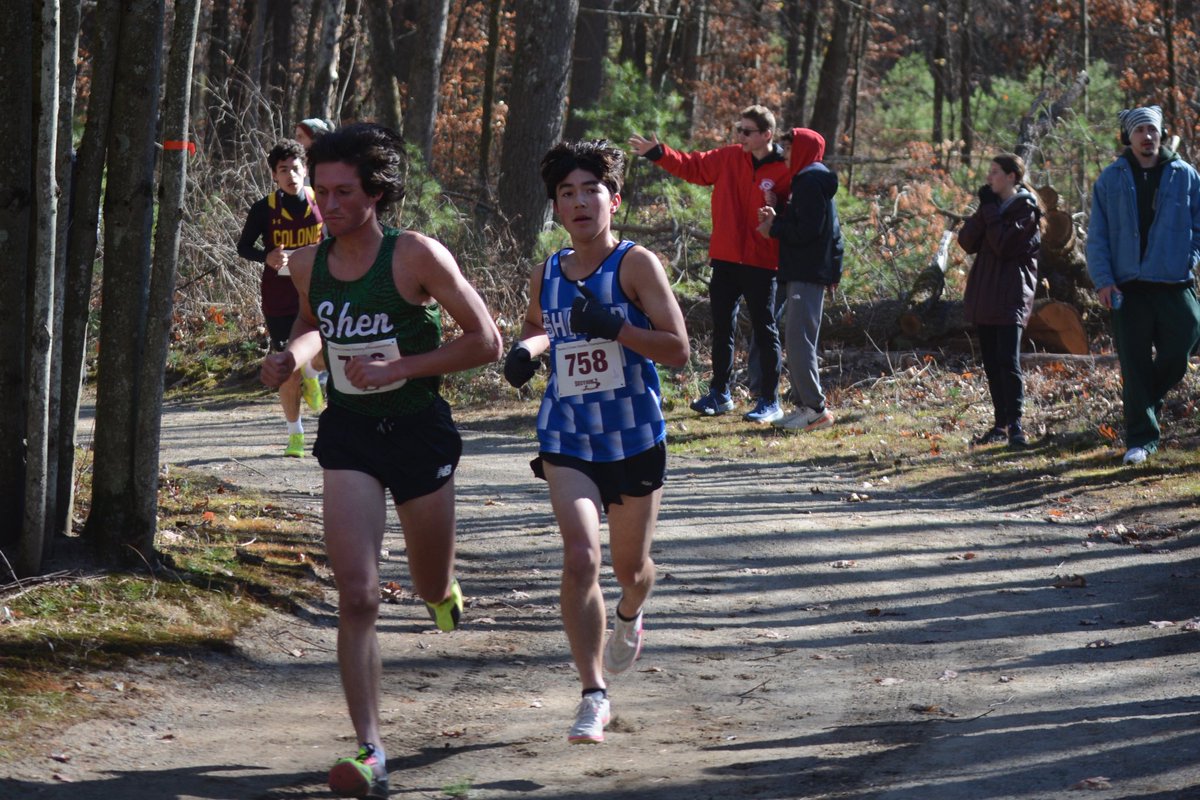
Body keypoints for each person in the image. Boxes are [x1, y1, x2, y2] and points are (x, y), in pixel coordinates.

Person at [260, 122, 502, 798]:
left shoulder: (415, 256)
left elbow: (485, 340)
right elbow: (313, 326)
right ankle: (371, 749)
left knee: (427, 586)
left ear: (376, 193)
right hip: (352, 437)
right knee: (359, 593)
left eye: (342, 193)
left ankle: (441, 593)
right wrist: (289, 357)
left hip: (419, 430)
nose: (328, 205)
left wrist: (404, 363)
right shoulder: (308, 261)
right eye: (322, 192)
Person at [502, 140, 689, 744]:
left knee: (630, 569)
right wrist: (525, 353)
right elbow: (541, 328)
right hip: (567, 434)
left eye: (591, 190)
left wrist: (616, 326)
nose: (580, 202)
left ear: (614, 197)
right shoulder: (547, 272)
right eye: (567, 193)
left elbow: (678, 350)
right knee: (582, 556)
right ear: (556, 207)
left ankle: (633, 611)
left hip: (633, 435)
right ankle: (593, 696)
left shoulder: (636, 265)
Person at [629, 104, 790, 423]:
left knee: (764, 329)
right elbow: (693, 166)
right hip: (726, 259)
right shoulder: (729, 157)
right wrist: (658, 153)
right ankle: (720, 393)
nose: (740, 136)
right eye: (738, 130)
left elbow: (794, 215)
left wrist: (778, 214)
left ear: (766, 135)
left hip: (762, 261)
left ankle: (769, 400)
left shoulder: (785, 169)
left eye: (747, 131)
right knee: (722, 327)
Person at [1086, 105, 1200, 465]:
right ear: (1128, 137)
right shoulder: (1110, 179)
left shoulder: (1185, 175)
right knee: (1134, 363)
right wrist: (1104, 280)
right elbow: (1098, 236)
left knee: (1188, 334)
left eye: (1152, 130)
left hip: (1173, 280)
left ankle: (1146, 400)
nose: (1147, 137)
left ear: (1161, 133)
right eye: (1140, 131)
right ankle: (1141, 439)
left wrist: (1191, 258)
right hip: (1127, 286)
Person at [237, 138, 328, 457]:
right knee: (286, 365)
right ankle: (295, 435)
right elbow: (243, 247)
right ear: (274, 175)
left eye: (296, 168)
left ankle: (314, 374)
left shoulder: (322, 202)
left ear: (306, 169)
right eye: (283, 170)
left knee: (323, 352)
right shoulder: (264, 209)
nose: (291, 174)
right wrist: (268, 256)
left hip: (316, 293)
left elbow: (338, 241)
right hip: (279, 298)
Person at [756, 128, 841, 432]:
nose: (785, 154)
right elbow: (832, 232)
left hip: (806, 273)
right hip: (805, 272)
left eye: (789, 149)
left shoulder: (808, 182)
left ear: (803, 150)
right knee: (797, 339)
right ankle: (807, 406)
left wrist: (773, 228)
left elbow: (808, 231)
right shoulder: (808, 182)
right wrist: (778, 211)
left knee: (798, 340)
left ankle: (816, 410)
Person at [957, 153, 1044, 449]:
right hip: (985, 295)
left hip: (1011, 296)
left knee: (1009, 361)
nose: (989, 177)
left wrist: (991, 212)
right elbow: (967, 241)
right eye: (989, 172)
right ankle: (1000, 425)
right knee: (992, 364)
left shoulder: (1027, 211)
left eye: (995, 172)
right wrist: (985, 209)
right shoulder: (991, 206)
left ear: (1011, 177)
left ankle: (1016, 425)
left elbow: (1004, 245)